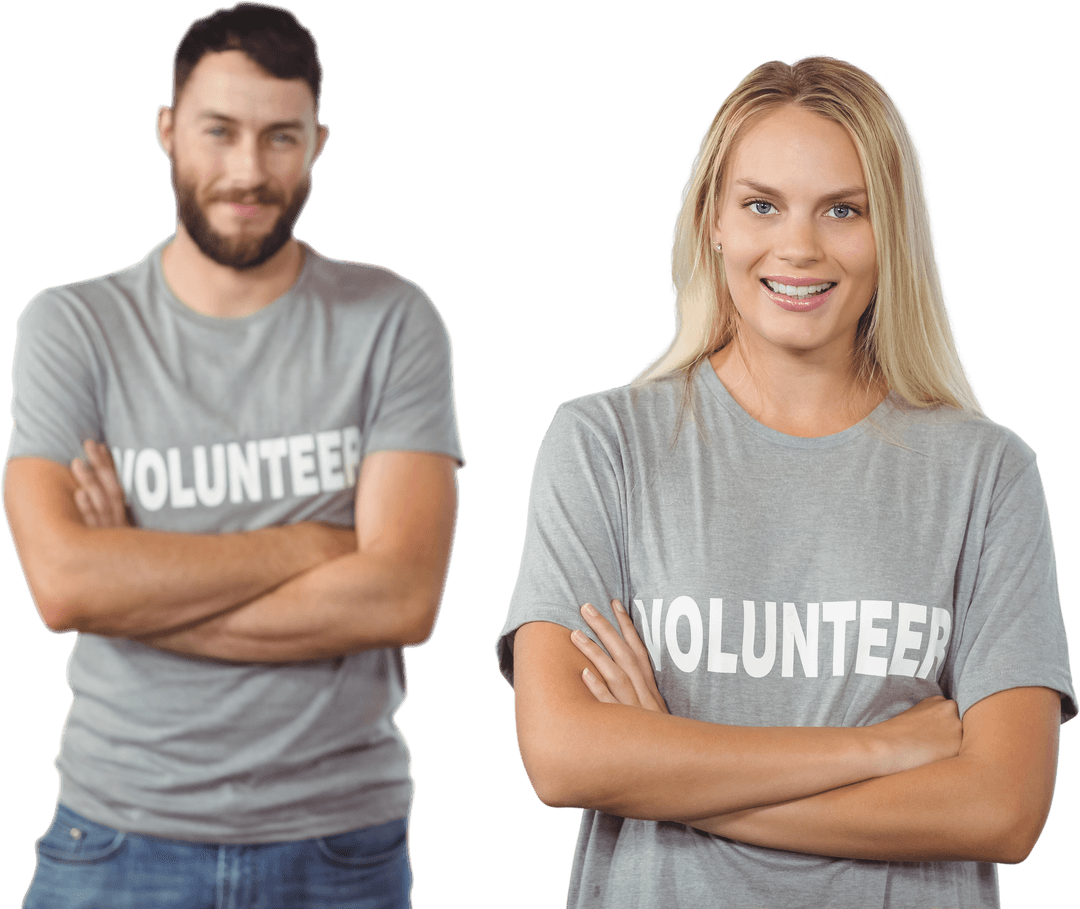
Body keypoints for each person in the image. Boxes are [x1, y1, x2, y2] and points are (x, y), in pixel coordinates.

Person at [496, 54, 1075, 908]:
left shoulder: (989, 474)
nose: (798, 246)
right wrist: (881, 748)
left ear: (891, 231)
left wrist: (665, 766)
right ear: (713, 221)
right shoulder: (603, 445)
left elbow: (1002, 807)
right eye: (762, 205)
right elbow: (564, 757)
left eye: (844, 209)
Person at [4, 3, 463, 906]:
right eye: (219, 131)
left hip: (340, 845)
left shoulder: (393, 318)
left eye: (280, 136)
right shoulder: (74, 324)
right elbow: (63, 585)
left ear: (318, 142)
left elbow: (403, 597)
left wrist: (134, 579)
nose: (248, 170)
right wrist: (314, 545)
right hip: (116, 836)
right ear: (167, 129)